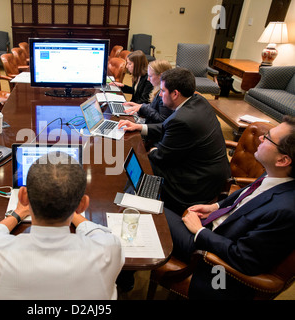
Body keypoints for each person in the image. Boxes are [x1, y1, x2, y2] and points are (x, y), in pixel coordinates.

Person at [165, 116, 295, 299]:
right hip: (215, 227)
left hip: (211, 256)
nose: (260, 138)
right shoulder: (276, 175)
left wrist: (199, 232)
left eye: (268, 137)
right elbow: (246, 194)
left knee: (153, 212)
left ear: (283, 160)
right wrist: (216, 206)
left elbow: (243, 258)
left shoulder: (286, 211)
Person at [0, 152, 125, 300]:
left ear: (23, 196)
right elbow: (99, 235)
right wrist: (73, 210)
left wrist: (16, 214)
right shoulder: (109, 250)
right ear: (83, 205)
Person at [118, 68, 230, 214]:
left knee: (144, 166)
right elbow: (167, 127)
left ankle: (129, 211)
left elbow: (161, 158)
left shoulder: (181, 119)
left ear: (175, 93)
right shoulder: (198, 100)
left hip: (198, 183)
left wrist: (151, 150)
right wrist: (140, 126)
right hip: (210, 172)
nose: (160, 95)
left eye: (163, 91)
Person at [122, 59, 174, 124]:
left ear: (161, 76)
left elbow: (162, 120)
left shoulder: (164, 94)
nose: (148, 79)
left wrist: (143, 108)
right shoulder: (158, 88)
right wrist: (140, 106)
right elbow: (154, 107)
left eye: (150, 76)